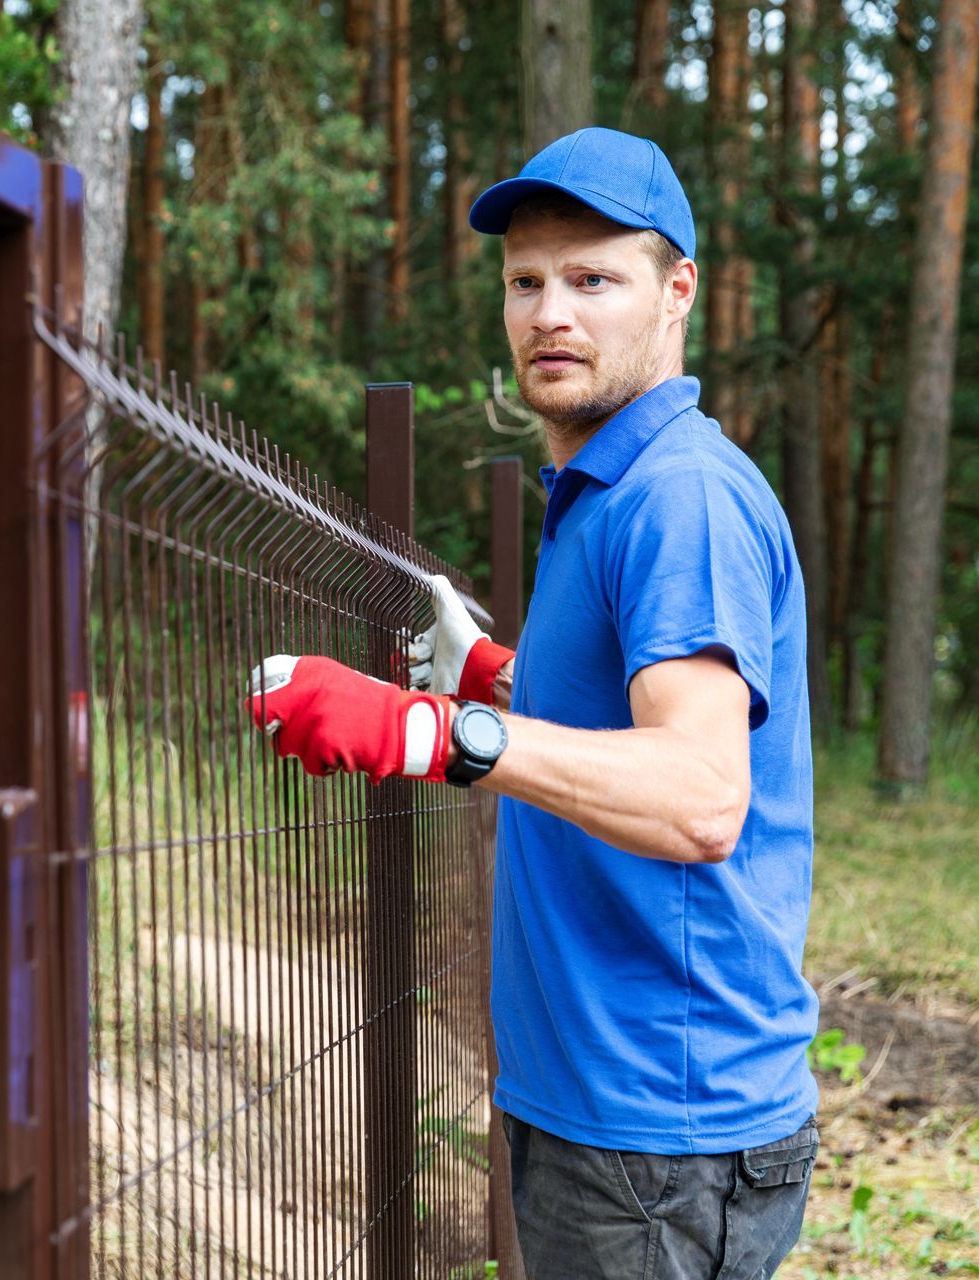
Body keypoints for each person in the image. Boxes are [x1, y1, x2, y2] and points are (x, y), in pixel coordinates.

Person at [246, 126, 819, 1279]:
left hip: (660, 1129)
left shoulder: (681, 500)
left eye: (593, 278)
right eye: (526, 281)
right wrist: (495, 675)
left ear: (675, 292)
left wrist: (431, 730)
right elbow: (631, 713)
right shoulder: (607, 486)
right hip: (607, 1103)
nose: (551, 312)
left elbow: (703, 793)